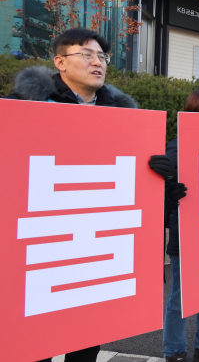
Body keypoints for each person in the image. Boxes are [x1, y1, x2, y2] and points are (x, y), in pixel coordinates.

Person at [3, 28, 136, 362]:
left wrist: (158, 178)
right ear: (60, 61)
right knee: (33, 342)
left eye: (102, 57)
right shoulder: (23, 109)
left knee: (86, 335)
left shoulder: (125, 118)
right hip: (39, 245)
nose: (97, 63)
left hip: (93, 247)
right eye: (87, 55)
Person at [148, 90, 199, 362]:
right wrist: (169, 192)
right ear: (196, 115)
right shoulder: (177, 147)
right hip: (186, 236)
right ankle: (174, 351)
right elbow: (161, 193)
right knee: (180, 297)